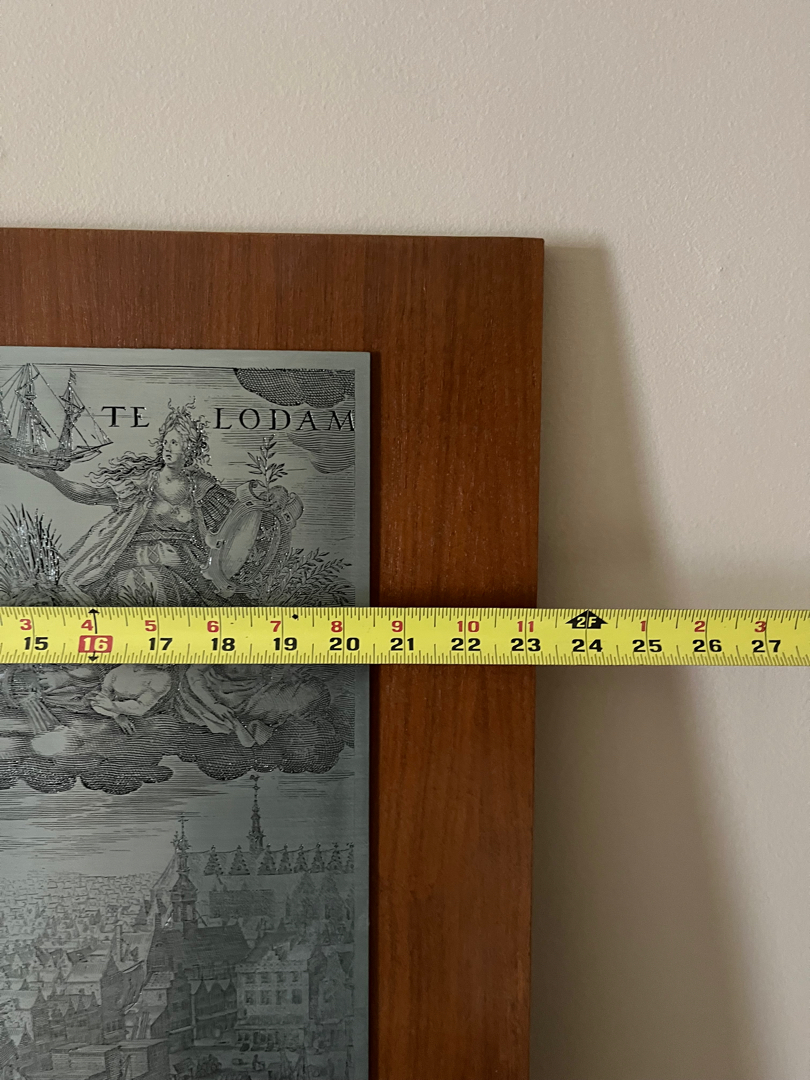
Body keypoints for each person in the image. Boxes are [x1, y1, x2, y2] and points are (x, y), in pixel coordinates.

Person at [25, 404, 235, 604]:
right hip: (137, 554)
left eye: (174, 443)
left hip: (184, 560)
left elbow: (235, 519)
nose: (167, 448)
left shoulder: (200, 486)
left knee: (213, 596)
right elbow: (93, 495)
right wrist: (54, 479)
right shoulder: (145, 483)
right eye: (165, 442)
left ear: (189, 447)